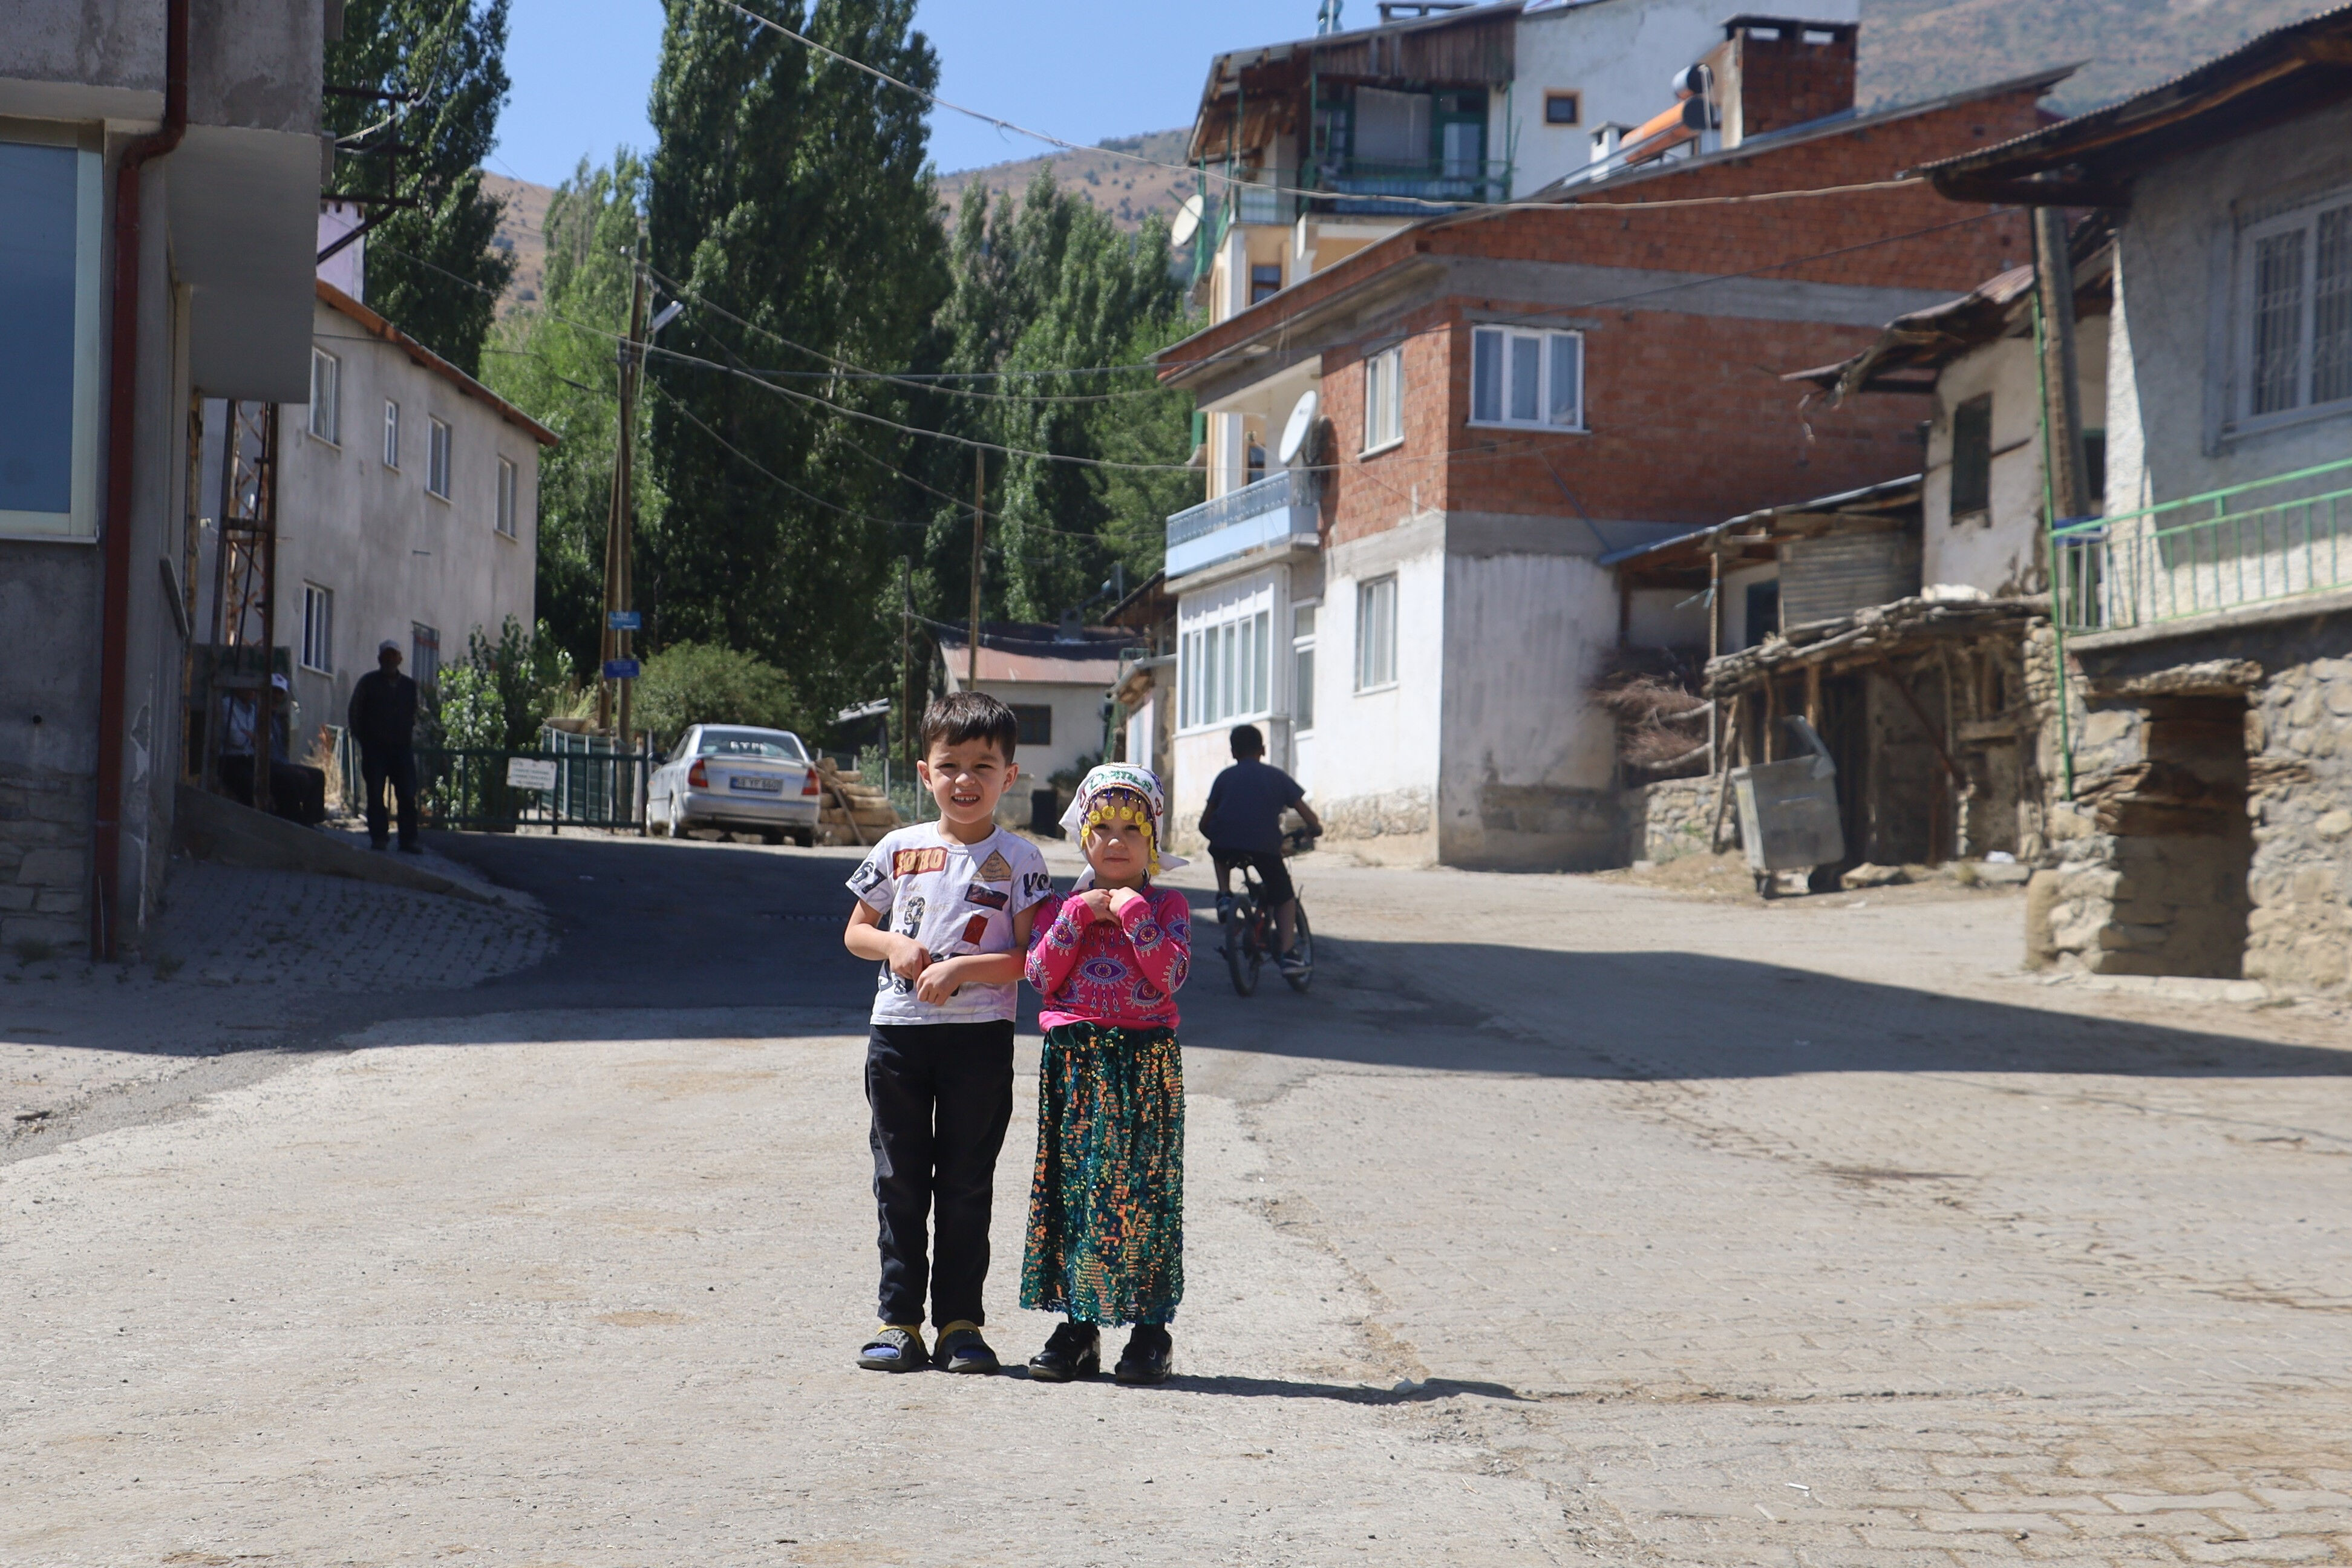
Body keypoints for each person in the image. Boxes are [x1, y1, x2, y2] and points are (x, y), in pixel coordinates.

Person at [841, 691, 1052, 1375]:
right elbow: (856, 931)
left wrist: (963, 969)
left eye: (983, 766)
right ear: (924, 772)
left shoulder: (1022, 860)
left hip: (979, 1040)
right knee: (899, 1180)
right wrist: (892, 947)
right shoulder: (897, 848)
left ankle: (962, 1323)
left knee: (965, 1183)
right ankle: (898, 1321)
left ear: (1009, 776)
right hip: (899, 1037)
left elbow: (1031, 959)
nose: (966, 780)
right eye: (950, 765)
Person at [1020, 763, 1192, 1385]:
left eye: (1131, 829)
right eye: (1102, 828)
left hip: (1144, 1064)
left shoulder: (1167, 905)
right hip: (1076, 1064)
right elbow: (1040, 977)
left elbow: (1169, 976)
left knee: (1144, 1194)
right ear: (1082, 838)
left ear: (1153, 838)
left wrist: (1136, 915)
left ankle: (1150, 1332)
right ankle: (1077, 1328)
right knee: (1076, 1192)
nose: (1116, 842)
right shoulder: (1061, 907)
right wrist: (1077, 918)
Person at [1198, 723, 1321, 972]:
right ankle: (1288, 955)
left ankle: (1224, 895)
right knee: (1285, 896)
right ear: (1263, 750)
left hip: (1226, 845)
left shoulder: (1224, 778)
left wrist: (1219, 836)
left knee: (1218, 848)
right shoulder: (1277, 777)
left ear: (1234, 753)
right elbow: (1310, 818)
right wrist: (1314, 829)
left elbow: (1204, 824)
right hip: (1264, 846)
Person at [347, 639, 420, 853]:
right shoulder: (368, 683)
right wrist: (365, 740)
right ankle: (379, 837)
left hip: (401, 748)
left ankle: (408, 840)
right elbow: (355, 711)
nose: (390, 660)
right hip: (375, 749)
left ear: (400, 659)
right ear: (380, 659)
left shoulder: (409, 686)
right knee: (375, 794)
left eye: (394, 656)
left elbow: (414, 713)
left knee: (407, 794)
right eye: (386, 656)